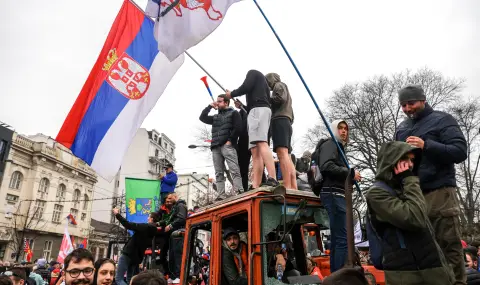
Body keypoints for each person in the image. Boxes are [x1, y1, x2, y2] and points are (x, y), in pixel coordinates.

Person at [395, 84, 468, 285]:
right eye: (403, 105)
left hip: (440, 192)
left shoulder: (442, 120)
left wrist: (426, 145)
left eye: (411, 103)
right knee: (422, 249)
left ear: (423, 100)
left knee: (448, 245)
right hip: (412, 196)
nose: (408, 108)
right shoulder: (401, 128)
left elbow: (460, 151)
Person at [366, 141, 455, 285]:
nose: (410, 165)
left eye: (412, 160)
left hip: (432, 271)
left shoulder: (409, 188)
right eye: (405, 159)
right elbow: (416, 218)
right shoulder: (377, 193)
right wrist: (409, 180)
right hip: (408, 275)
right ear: (391, 161)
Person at [318, 119, 361, 273]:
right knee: (342, 239)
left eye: (346, 129)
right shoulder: (331, 144)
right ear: (334, 130)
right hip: (333, 194)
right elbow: (326, 166)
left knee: (338, 240)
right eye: (340, 128)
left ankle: (336, 275)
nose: (344, 131)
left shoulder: (339, 148)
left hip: (338, 195)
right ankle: (340, 276)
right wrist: (350, 173)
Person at [226, 70, 279, 189]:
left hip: (258, 111)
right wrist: (242, 106)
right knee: (255, 150)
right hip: (255, 111)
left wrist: (232, 94)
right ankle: (256, 183)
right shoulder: (261, 89)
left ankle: (272, 178)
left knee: (261, 143)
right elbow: (252, 100)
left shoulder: (252, 73)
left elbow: (245, 87)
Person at [199, 94, 244, 195]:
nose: (217, 103)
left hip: (227, 146)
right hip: (216, 147)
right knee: (218, 173)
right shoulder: (216, 117)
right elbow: (202, 118)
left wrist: (230, 141)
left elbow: (238, 128)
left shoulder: (234, 113)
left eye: (219, 101)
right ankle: (221, 195)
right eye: (217, 101)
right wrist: (210, 106)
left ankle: (239, 191)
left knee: (234, 169)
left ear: (226, 102)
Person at [265, 73, 296, 190]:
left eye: (267, 81)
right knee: (287, 155)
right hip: (286, 121)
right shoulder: (285, 89)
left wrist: (266, 98)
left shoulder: (279, 85)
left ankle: (287, 186)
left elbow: (279, 99)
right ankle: (293, 186)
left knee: (282, 154)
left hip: (279, 120)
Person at [113, 208, 160, 285]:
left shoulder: (145, 227)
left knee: (119, 279)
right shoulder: (153, 231)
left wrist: (117, 214)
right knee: (130, 280)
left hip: (128, 253)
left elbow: (128, 225)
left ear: (151, 219)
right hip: (136, 257)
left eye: (149, 217)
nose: (147, 218)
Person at [234, 99, 251, 191]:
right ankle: (244, 188)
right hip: (243, 139)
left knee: (259, 162)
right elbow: (237, 125)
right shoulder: (241, 112)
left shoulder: (259, 108)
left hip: (256, 137)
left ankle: (262, 181)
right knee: (242, 166)